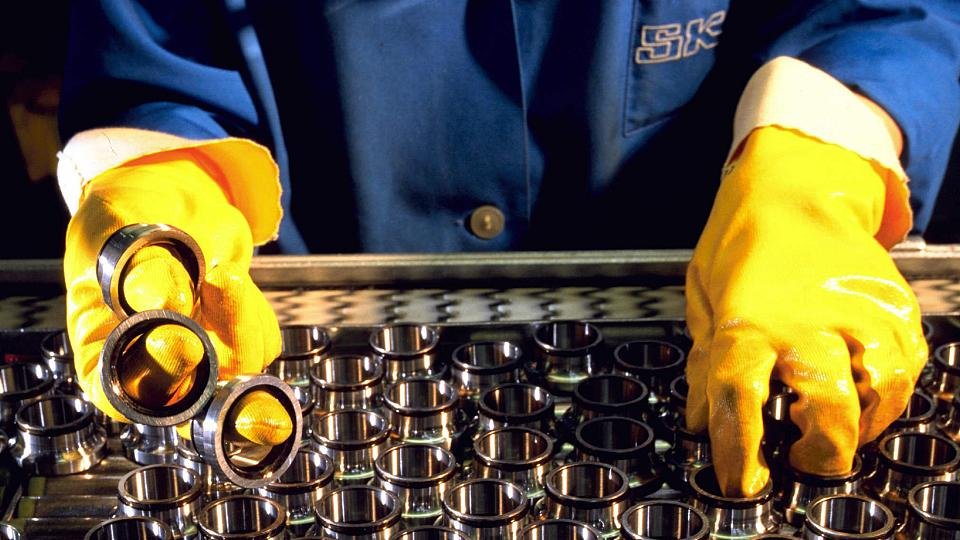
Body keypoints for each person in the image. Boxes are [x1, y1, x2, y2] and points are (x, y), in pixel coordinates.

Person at [58, 1, 960, 496]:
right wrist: (164, 184)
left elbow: (880, 17)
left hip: (715, 324)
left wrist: (813, 173)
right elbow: (158, 62)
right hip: (298, 329)